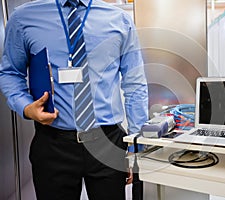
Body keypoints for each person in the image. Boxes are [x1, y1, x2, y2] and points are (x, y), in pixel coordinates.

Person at [0, 0, 148, 199]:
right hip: (53, 143)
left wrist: (136, 146)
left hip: (107, 142)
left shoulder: (119, 19)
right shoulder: (23, 18)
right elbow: (10, 72)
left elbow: (134, 83)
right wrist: (26, 107)